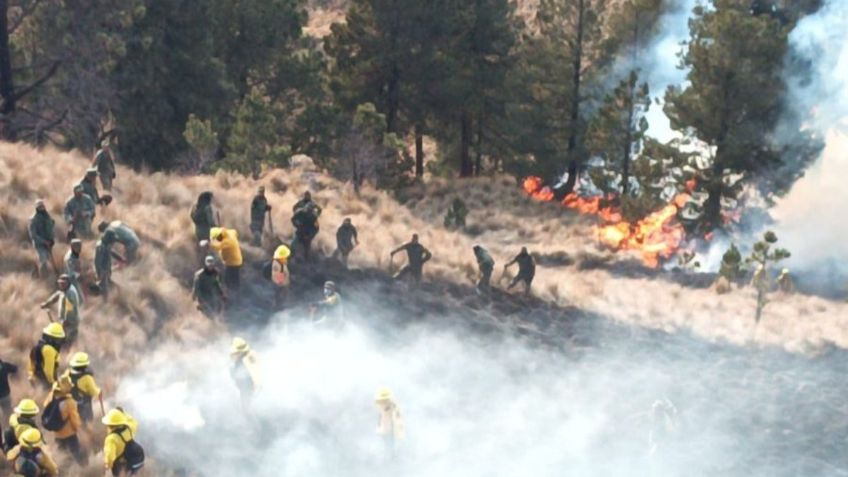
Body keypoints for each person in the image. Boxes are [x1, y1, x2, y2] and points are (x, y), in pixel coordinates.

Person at [42, 375, 85, 466]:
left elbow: (45, 405)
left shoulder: (52, 396)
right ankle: (81, 468)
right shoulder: (70, 402)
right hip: (70, 434)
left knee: (62, 454)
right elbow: (75, 419)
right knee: (75, 452)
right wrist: (78, 429)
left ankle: (63, 469)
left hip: (57, 433)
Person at [40, 275, 82, 345]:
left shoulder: (70, 293)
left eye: (63, 283)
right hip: (65, 320)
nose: (61, 285)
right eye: (60, 283)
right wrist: (46, 304)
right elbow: (57, 295)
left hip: (71, 322)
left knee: (68, 340)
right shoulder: (64, 290)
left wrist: (65, 321)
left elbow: (69, 310)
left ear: (68, 283)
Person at [102, 408, 144, 476]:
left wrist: (107, 466)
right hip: (135, 460)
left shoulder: (111, 439)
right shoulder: (128, 428)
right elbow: (133, 422)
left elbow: (109, 457)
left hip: (122, 464)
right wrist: (122, 414)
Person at [64, 352, 101, 424]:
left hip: (69, 403)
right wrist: (99, 391)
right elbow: (94, 392)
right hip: (83, 405)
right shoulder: (87, 378)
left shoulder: (67, 373)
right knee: (86, 422)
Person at [202, 227, 243, 291]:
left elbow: (217, 247)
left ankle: (233, 292)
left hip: (232, 263)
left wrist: (208, 243)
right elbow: (235, 232)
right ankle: (236, 289)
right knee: (235, 277)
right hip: (236, 260)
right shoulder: (230, 232)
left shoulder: (227, 241)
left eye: (216, 238)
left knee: (229, 279)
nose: (216, 240)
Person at [28, 323, 64, 390]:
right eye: (58, 339)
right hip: (45, 383)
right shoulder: (49, 350)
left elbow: (31, 364)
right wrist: (53, 383)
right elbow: (48, 371)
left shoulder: (36, 347)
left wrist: (31, 376)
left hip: (36, 380)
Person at [229, 338, 260, 409]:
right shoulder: (248, 356)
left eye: (236, 353)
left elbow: (254, 374)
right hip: (246, 387)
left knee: (247, 408)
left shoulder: (245, 360)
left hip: (247, 387)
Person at [374, 387, 404, 460]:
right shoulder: (385, 409)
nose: (380, 404)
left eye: (382, 401)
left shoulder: (390, 408)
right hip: (385, 431)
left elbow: (396, 421)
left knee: (389, 448)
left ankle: (390, 460)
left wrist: (398, 432)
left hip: (389, 432)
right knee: (386, 448)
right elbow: (381, 421)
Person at [28, 199, 55, 279]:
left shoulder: (47, 216)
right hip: (39, 244)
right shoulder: (33, 219)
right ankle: (43, 278)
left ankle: (38, 272)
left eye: (43, 206)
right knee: (43, 260)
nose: (42, 208)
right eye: (40, 207)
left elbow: (51, 226)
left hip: (49, 243)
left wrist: (51, 240)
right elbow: (33, 235)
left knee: (48, 260)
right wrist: (44, 241)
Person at [95, 229, 121, 297]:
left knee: (113, 287)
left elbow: (111, 251)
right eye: (112, 240)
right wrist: (100, 272)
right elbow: (97, 261)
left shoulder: (106, 244)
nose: (113, 242)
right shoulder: (100, 246)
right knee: (105, 291)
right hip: (103, 272)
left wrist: (120, 258)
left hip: (107, 271)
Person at [63, 238, 85, 304]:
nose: (80, 248)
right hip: (70, 280)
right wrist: (79, 275)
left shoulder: (74, 253)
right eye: (78, 246)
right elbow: (71, 271)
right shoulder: (69, 258)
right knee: (80, 300)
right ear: (73, 247)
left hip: (73, 278)